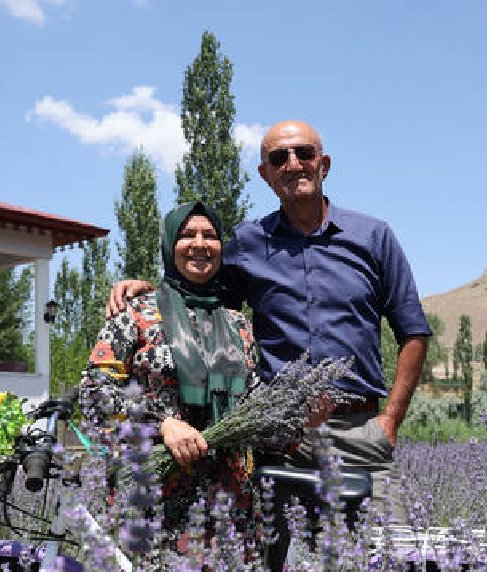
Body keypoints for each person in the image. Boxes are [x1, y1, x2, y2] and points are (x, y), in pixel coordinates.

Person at [108, 120, 431, 519]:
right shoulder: (248, 242)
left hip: (360, 432)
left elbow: (414, 332)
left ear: (324, 163)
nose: (293, 164)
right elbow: (200, 295)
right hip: (280, 440)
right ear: (265, 174)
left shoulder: (373, 237)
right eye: (279, 158)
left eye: (304, 154)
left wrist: (390, 421)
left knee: (383, 563)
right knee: (280, 569)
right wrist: (152, 290)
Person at [81, 200, 260, 539]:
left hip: (228, 505)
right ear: (168, 245)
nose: (200, 244)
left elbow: (255, 398)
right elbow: (93, 390)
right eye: (187, 235)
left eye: (210, 235)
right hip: (152, 498)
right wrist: (161, 424)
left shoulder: (239, 326)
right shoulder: (136, 316)